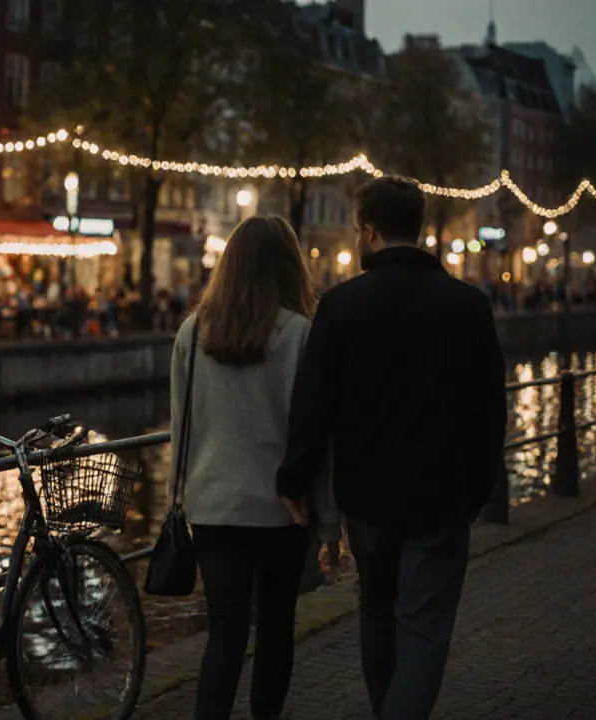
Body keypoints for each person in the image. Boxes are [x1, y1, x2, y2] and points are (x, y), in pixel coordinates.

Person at [277, 177, 507, 720]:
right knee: (424, 630)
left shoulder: (341, 305)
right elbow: (488, 411)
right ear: (419, 228)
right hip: (441, 495)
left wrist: (295, 479)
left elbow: (314, 404)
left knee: (376, 613)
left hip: (369, 497)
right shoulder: (468, 306)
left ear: (370, 230)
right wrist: (476, 489)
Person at [170, 215, 340, 720]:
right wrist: (330, 523)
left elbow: (182, 426)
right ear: (288, 267)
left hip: (213, 506)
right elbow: (316, 437)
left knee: (223, 634)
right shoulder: (300, 335)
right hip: (280, 510)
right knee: (274, 630)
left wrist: (175, 499)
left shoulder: (193, 332)